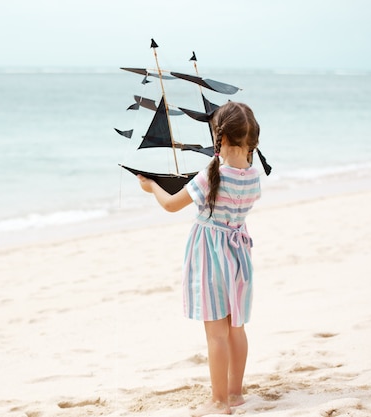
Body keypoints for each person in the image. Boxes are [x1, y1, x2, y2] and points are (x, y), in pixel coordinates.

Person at [137, 101, 262, 416]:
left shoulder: (211, 173)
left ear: (219, 138)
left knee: (215, 334)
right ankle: (235, 394)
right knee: (237, 327)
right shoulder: (252, 175)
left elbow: (170, 205)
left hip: (210, 254)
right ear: (251, 141)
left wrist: (152, 186)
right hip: (239, 255)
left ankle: (218, 401)